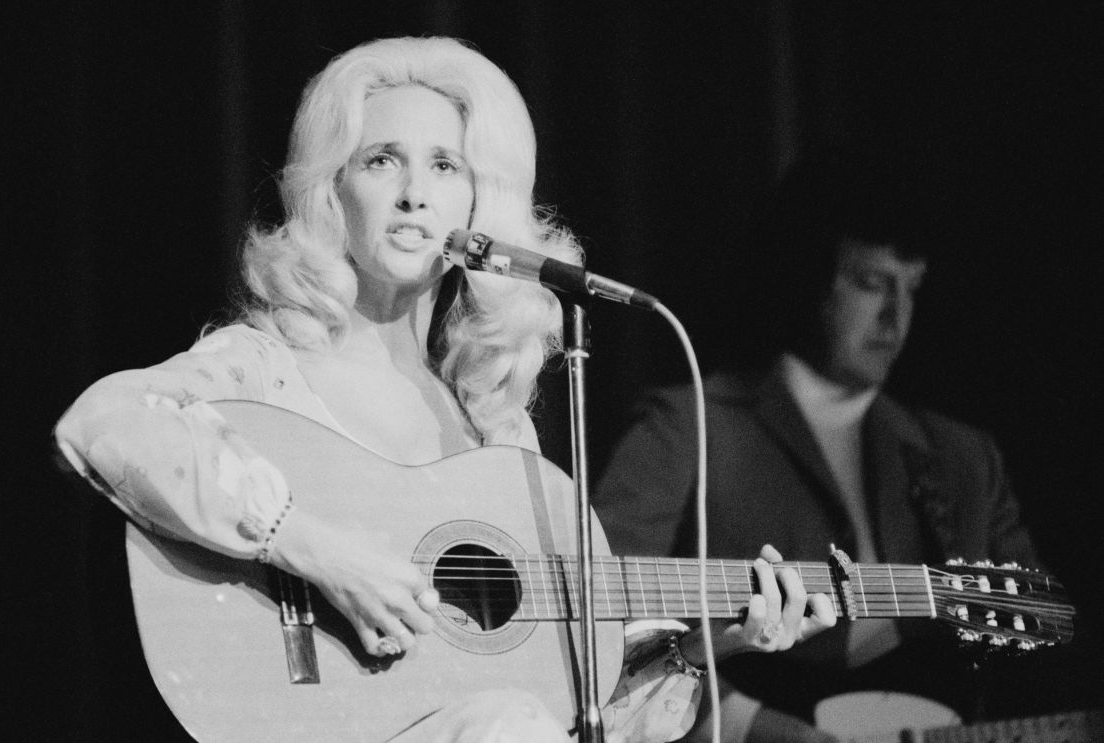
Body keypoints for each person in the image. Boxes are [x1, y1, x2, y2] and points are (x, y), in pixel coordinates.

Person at [54, 37, 835, 743]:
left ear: (476, 204)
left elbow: (574, 709)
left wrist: (713, 641)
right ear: (333, 191)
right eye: (381, 160)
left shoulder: (492, 422)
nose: (413, 194)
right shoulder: (264, 367)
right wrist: (320, 550)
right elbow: (102, 421)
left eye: (444, 165)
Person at [592, 155, 1044, 742]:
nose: (896, 317)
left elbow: (1043, 637)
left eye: (911, 288)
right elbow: (605, 619)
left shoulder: (963, 455)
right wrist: (757, 728)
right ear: (809, 282)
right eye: (871, 283)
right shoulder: (687, 425)